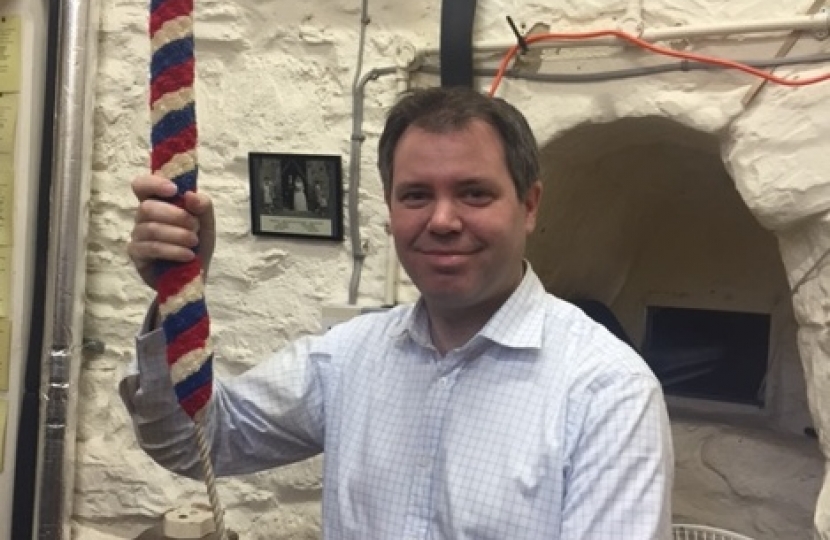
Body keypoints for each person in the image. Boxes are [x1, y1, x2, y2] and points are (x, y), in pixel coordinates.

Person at [122, 86, 674, 539]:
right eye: (415, 196)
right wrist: (179, 298)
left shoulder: (608, 393)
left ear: (528, 207)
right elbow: (191, 442)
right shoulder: (349, 357)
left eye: (474, 194)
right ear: (389, 208)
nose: (441, 220)